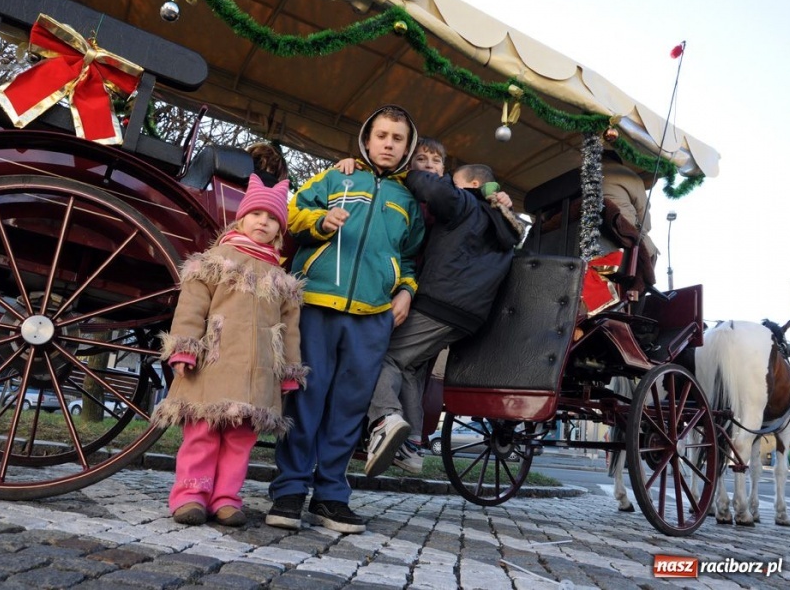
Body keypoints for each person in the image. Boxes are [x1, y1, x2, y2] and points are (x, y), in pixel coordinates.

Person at [266, 105, 425, 534]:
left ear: (406, 148)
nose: (388, 144)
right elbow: (291, 213)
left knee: (349, 409)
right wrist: (321, 221)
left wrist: (406, 290)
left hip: (372, 316)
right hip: (317, 304)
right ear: (366, 140)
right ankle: (289, 491)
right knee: (306, 400)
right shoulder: (335, 177)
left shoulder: (409, 202)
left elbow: (410, 257)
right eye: (381, 135)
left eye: (397, 138)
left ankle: (331, 497)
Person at [153, 173, 308, 527]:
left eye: (272, 219)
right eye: (256, 214)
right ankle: (190, 495)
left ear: (280, 230)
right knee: (203, 432)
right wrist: (185, 347)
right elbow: (192, 307)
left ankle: (225, 497)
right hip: (213, 365)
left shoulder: (282, 280)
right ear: (241, 218)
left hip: (257, 375)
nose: (263, 222)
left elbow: (291, 332)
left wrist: (289, 371)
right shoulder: (217, 260)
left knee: (240, 439)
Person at [364, 163, 526, 477]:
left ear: (475, 184)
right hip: (469, 316)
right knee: (410, 367)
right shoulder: (503, 226)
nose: (449, 183)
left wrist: (410, 172)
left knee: (384, 356)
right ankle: (411, 447)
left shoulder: (468, 203)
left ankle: (385, 419)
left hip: (439, 302)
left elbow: (437, 191)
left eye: (455, 180)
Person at [601, 150, 660, 268]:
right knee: (650, 249)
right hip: (620, 232)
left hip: (578, 231)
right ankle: (642, 279)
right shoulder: (628, 175)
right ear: (618, 162)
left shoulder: (581, 173)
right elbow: (645, 220)